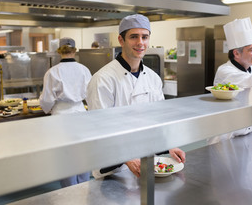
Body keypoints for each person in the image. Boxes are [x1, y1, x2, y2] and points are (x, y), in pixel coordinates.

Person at [86, 14, 186, 178]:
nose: (140, 42)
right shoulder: (103, 79)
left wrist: (169, 146)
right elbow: (100, 130)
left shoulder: (153, 78)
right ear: (121, 40)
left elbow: (159, 120)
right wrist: (126, 157)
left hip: (147, 161)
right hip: (114, 170)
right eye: (134, 37)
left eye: (144, 37)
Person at [39, 37, 92, 187]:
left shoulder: (52, 72)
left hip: (61, 118)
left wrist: (47, 109)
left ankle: (69, 194)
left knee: (65, 157)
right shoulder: (84, 70)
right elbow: (90, 94)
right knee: (82, 155)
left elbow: (47, 100)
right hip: (81, 114)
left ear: (59, 51)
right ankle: (83, 189)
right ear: (74, 51)